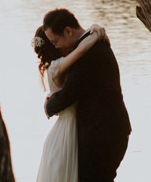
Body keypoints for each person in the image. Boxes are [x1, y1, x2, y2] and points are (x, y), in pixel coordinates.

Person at [42, 8, 131, 182]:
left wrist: (48, 105)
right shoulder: (92, 44)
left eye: (55, 41)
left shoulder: (89, 54)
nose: (56, 47)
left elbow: (69, 93)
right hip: (104, 133)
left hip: (102, 137)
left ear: (68, 31)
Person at [32, 22, 107, 182]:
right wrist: (95, 34)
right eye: (55, 40)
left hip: (68, 128)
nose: (60, 42)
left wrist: (92, 28)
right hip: (67, 134)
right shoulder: (56, 67)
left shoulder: (60, 65)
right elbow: (80, 50)